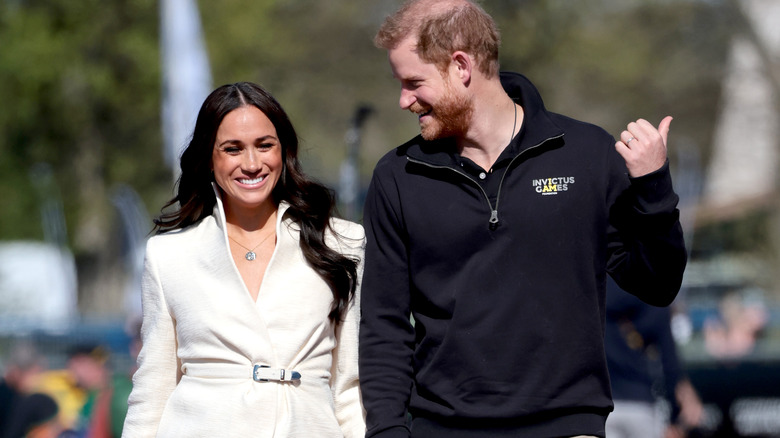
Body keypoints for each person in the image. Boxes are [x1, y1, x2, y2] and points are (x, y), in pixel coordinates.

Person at [358, 1, 687, 437]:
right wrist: (386, 431)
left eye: (414, 83)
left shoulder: (586, 154)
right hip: (441, 429)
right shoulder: (397, 176)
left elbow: (658, 284)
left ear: (461, 66)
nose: (403, 100)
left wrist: (654, 188)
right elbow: (384, 325)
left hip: (568, 426)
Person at [122, 82, 366, 437]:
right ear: (210, 157)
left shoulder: (342, 243)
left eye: (264, 146)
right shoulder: (168, 255)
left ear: (284, 151)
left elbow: (350, 386)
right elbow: (152, 389)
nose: (251, 164)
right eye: (232, 149)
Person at [604, 277, 702, 438]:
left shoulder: (597, 296)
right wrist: (675, 418)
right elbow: (670, 365)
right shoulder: (656, 301)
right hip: (642, 404)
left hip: (605, 404)